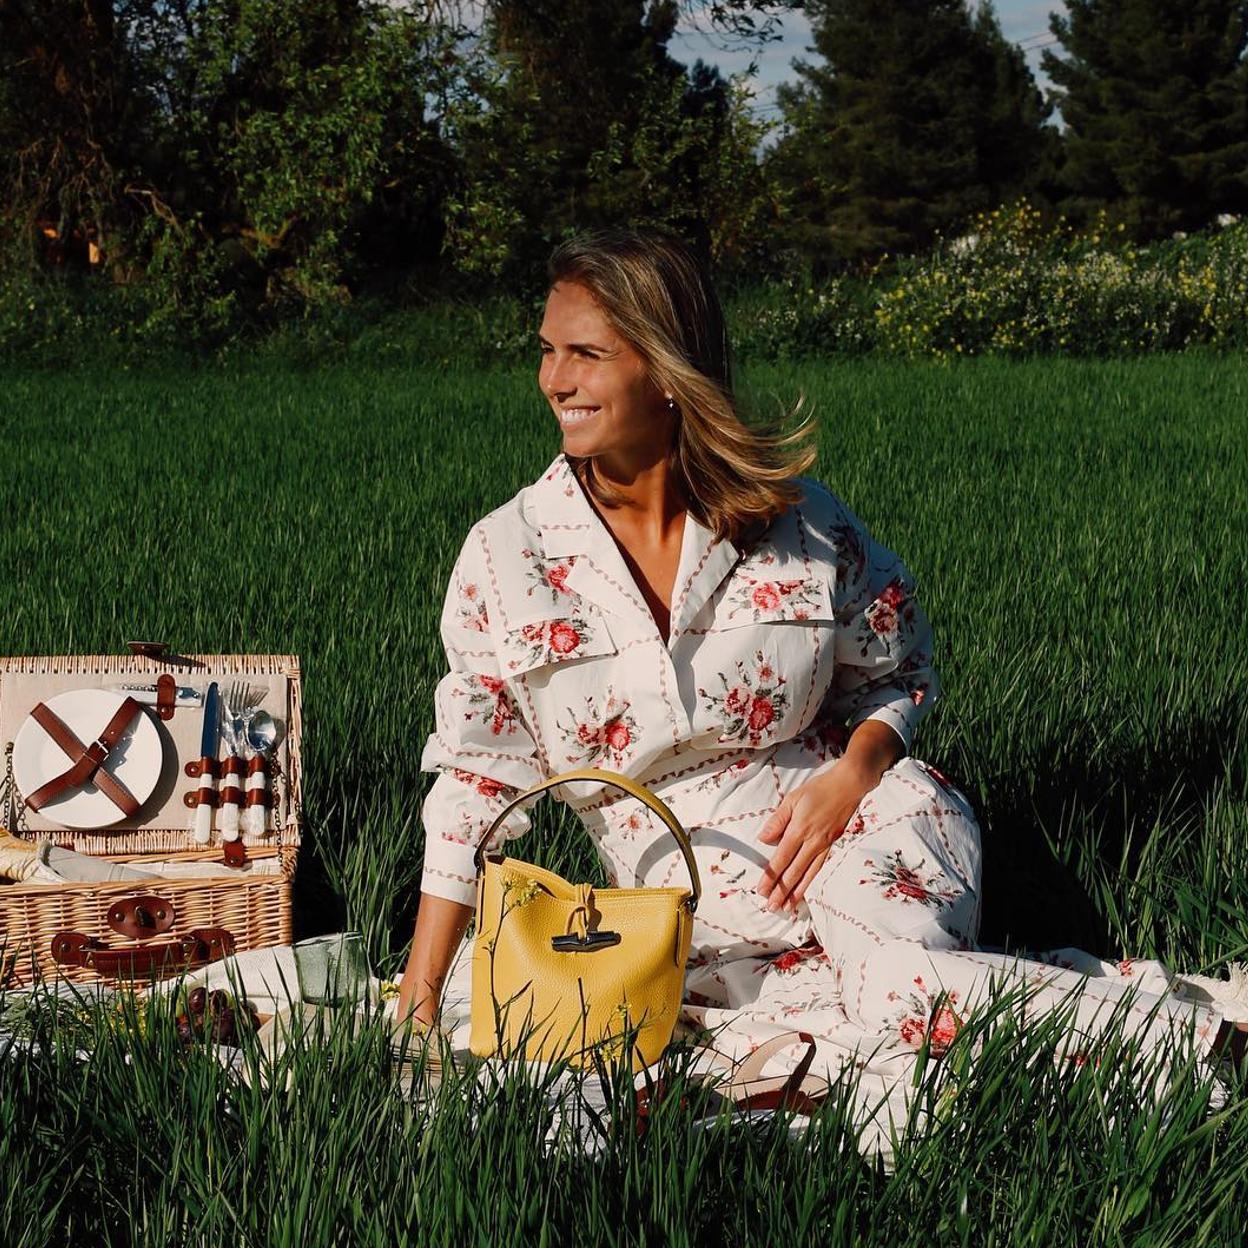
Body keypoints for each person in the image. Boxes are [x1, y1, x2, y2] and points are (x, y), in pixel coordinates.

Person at [396, 227, 1247, 1094]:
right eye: (547, 350)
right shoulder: (506, 556)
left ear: (666, 367)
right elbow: (475, 787)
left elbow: (900, 673)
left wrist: (856, 773)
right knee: (851, 1041)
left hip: (866, 825)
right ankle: (1120, 1011)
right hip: (697, 930)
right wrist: (418, 1009)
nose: (555, 380)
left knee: (892, 990)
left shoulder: (797, 520)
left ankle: (1211, 1048)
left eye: (587, 354)